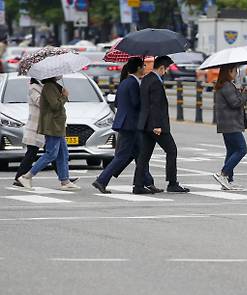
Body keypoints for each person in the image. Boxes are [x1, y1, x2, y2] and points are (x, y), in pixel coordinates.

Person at [92, 58, 159, 194]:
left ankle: (148, 182)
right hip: (131, 125)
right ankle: (101, 180)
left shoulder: (124, 82)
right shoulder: (134, 83)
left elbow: (117, 102)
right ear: (139, 68)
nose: (145, 68)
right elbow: (136, 103)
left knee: (140, 155)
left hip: (125, 123)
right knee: (122, 156)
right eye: (144, 66)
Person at [133, 56, 189, 194]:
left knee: (144, 156)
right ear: (162, 68)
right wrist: (157, 125)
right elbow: (155, 105)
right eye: (166, 69)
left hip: (145, 124)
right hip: (156, 125)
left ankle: (138, 185)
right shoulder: (155, 82)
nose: (166, 72)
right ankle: (172, 183)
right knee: (172, 150)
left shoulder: (145, 79)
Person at [17, 76, 80, 190]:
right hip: (52, 125)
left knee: (63, 153)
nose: (60, 75)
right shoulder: (49, 87)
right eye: (58, 73)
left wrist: (62, 94)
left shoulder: (53, 86)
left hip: (57, 125)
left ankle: (65, 181)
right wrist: (64, 96)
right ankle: (27, 177)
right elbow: (55, 106)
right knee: (51, 154)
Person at [212, 64, 247, 190]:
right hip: (231, 123)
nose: (236, 73)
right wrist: (245, 96)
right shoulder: (227, 85)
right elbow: (235, 102)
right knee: (241, 149)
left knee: (231, 151)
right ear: (228, 71)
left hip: (227, 123)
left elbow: (233, 99)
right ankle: (223, 173)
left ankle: (228, 179)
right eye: (235, 71)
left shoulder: (224, 85)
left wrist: (240, 93)